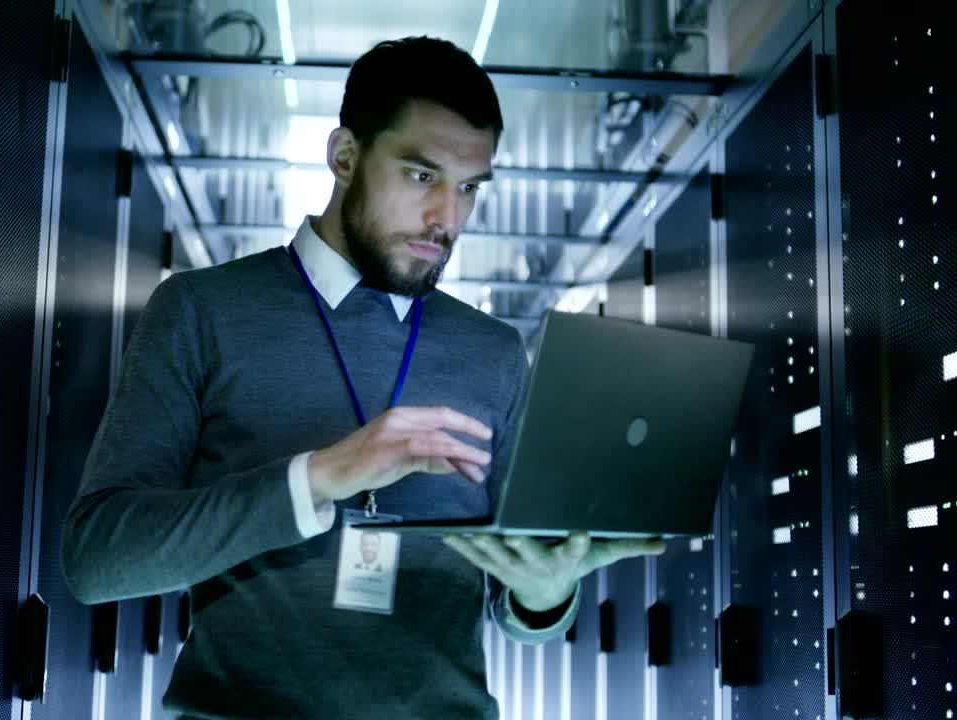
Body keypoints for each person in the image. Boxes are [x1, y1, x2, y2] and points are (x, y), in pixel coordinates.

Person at [61, 35, 666, 720]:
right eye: (422, 176)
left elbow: (518, 604)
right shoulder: (202, 310)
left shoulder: (494, 352)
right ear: (345, 156)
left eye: (469, 187)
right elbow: (97, 558)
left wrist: (545, 594)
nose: (447, 218)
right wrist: (319, 476)